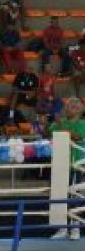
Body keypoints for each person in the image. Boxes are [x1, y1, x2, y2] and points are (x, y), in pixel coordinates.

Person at [49, 98, 85, 240]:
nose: (74, 105)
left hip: (77, 164)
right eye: (71, 104)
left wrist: (61, 125)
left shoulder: (82, 123)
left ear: (82, 109)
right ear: (66, 108)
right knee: (60, 195)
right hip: (60, 165)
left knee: (75, 195)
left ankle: (75, 227)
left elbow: (77, 136)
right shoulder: (59, 122)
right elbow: (50, 132)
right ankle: (62, 228)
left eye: (77, 104)